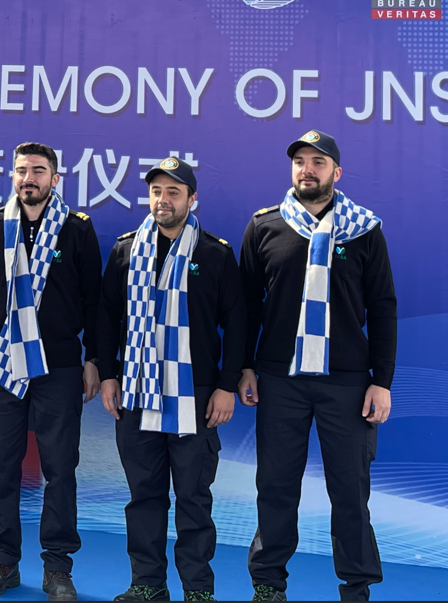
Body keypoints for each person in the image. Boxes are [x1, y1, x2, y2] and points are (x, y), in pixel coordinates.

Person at [239, 131, 394, 602]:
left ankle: (357, 586)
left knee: (350, 490)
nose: (308, 169)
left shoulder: (364, 229)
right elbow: (246, 306)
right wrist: (243, 368)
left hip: (346, 383)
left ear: (336, 173)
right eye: (300, 161)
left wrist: (381, 382)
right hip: (279, 379)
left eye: (318, 162)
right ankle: (268, 584)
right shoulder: (265, 226)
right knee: (276, 485)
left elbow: (383, 307)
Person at [98, 157, 245, 602]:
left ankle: (198, 589)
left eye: (174, 192)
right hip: (137, 390)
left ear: (191, 199)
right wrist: (108, 375)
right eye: (157, 192)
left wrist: (225, 385)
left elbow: (237, 323)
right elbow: (106, 319)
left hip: (196, 395)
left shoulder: (214, 254)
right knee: (144, 495)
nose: (164, 200)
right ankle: (147, 583)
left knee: (193, 497)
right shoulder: (126, 250)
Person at [0, 142, 102, 600]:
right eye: (22, 169)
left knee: (59, 468)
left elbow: (94, 302)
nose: (30, 178)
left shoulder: (77, 230)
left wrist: (93, 359)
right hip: (2, 364)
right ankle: (2, 562)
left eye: (39, 171)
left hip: (59, 366)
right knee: (1, 466)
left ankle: (58, 567)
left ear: (55, 179)